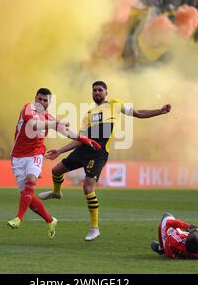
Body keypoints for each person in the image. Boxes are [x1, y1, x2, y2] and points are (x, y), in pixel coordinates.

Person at [39, 81, 172, 241]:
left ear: (106, 92)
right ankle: (56, 192)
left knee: (88, 188)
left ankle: (94, 228)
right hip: (83, 149)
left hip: (98, 153)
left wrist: (160, 111)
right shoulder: (88, 113)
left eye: (99, 90)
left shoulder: (114, 104)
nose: (96, 92)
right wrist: (59, 151)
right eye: (94, 90)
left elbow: (138, 113)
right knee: (56, 171)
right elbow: (80, 139)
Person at [7, 88, 101, 238]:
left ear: (49, 102)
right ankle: (50, 220)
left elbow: (66, 131)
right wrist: (56, 123)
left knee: (31, 181)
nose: (42, 102)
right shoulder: (28, 108)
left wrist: (84, 139)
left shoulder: (49, 117)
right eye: (40, 99)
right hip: (17, 157)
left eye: (45, 100)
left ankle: (18, 218)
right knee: (27, 196)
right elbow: (34, 125)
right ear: (35, 99)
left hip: (35, 154)